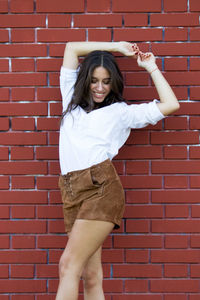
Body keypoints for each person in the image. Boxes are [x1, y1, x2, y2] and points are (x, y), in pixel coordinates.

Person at [56, 41, 180, 300]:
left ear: (113, 83)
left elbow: (170, 105)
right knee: (91, 277)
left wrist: (151, 67)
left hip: (101, 190)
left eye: (106, 81)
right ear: (85, 81)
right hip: (71, 191)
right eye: (94, 80)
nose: (100, 87)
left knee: (68, 265)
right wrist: (116, 47)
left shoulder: (121, 113)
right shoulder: (70, 99)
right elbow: (71, 49)